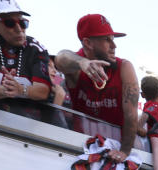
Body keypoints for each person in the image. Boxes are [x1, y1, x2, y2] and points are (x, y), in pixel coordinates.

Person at [55, 14, 138, 162]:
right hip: (81, 147)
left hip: (116, 149)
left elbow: (131, 116)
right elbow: (60, 58)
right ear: (87, 43)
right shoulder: (77, 66)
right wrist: (83, 63)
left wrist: (124, 152)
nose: (114, 46)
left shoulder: (123, 67)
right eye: (107, 40)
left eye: (113, 39)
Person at [0, 1, 51, 119]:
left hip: (30, 124)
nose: (19, 29)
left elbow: (43, 91)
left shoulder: (35, 48)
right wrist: (6, 90)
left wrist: (21, 90)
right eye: (9, 23)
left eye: (23, 23)